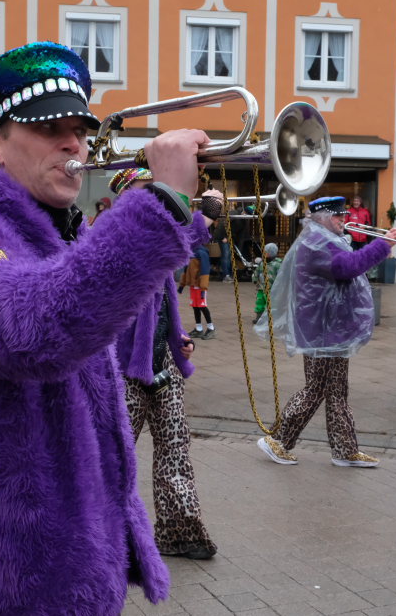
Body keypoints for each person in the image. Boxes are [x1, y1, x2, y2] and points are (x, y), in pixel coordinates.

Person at [0, 41, 205, 615]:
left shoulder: (53, 235)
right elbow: (31, 329)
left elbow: (89, 369)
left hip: (71, 573)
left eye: (78, 129)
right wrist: (161, 208)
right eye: (48, 128)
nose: (73, 143)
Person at [110, 166, 222, 561]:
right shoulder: (116, 237)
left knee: (176, 450)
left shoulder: (153, 239)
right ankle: (103, 537)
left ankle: (181, 534)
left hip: (162, 365)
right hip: (125, 370)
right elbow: (163, 251)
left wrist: (179, 340)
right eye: (146, 191)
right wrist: (206, 216)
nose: (155, 200)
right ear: (126, 197)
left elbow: (162, 309)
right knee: (115, 457)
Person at [254, 197, 396, 468]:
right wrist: (383, 244)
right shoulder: (316, 242)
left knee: (337, 392)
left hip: (331, 330)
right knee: (316, 389)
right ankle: (278, 440)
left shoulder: (325, 239)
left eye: (343, 215)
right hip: (320, 331)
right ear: (322, 218)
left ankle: (345, 450)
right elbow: (348, 267)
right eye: (337, 216)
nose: (344, 219)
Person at [181, 241, 216, 339]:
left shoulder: (201, 253)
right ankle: (199, 329)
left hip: (200, 286)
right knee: (195, 306)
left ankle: (211, 328)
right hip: (193, 285)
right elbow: (186, 269)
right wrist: (182, 284)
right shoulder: (191, 252)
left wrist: (203, 286)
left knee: (202, 306)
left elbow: (205, 270)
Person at [252, 242, 282, 325]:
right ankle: (259, 317)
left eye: (266, 252)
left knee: (270, 304)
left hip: (271, 289)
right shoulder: (262, 263)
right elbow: (257, 272)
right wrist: (255, 278)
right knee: (259, 302)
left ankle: (269, 318)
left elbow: (281, 275)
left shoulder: (277, 265)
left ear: (271, 253)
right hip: (261, 288)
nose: (264, 253)